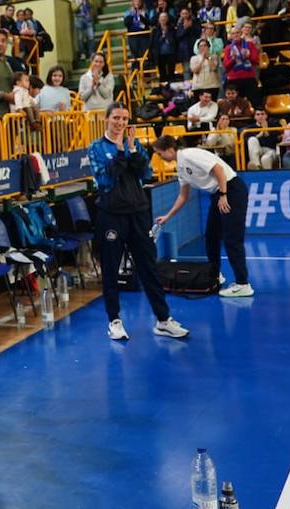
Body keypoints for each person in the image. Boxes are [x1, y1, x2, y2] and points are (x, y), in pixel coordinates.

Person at [87, 103, 190, 342]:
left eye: (124, 118)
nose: (120, 122)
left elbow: (145, 174)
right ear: (106, 119)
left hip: (138, 213)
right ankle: (114, 321)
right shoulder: (96, 148)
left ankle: (163, 320)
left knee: (148, 268)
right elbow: (105, 179)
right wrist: (122, 153)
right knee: (111, 269)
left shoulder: (137, 147)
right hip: (111, 215)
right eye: (116, 118)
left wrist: (132, 151)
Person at [152, 136, 253, 298]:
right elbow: (183, 196)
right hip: (218, 194)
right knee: (211, 236)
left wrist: (223, 194)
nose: (159, 157)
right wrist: (167, 216)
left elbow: (218, 169)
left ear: (170, 150)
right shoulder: (181, 167)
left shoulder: (190, 154)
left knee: (232, 239)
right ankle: (214, 275)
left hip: (231, 190)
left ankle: (243, 284)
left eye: (159, 153)